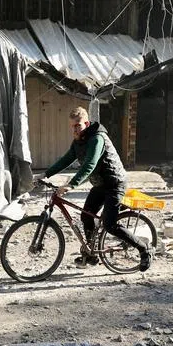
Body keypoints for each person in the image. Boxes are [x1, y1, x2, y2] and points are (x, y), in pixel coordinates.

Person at [42, 106, 152, 271]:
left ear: (86, 123)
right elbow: (66, 159)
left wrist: (71, 184)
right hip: (101, 185)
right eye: (72, 126)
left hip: (115, 183)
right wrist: (45, 174)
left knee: (109, 224)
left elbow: (89, 165)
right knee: (86, 216)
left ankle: (144, 249)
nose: (74, 129)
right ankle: (91, 255)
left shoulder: (97, 138)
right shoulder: (79, 141)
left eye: (78, 125)